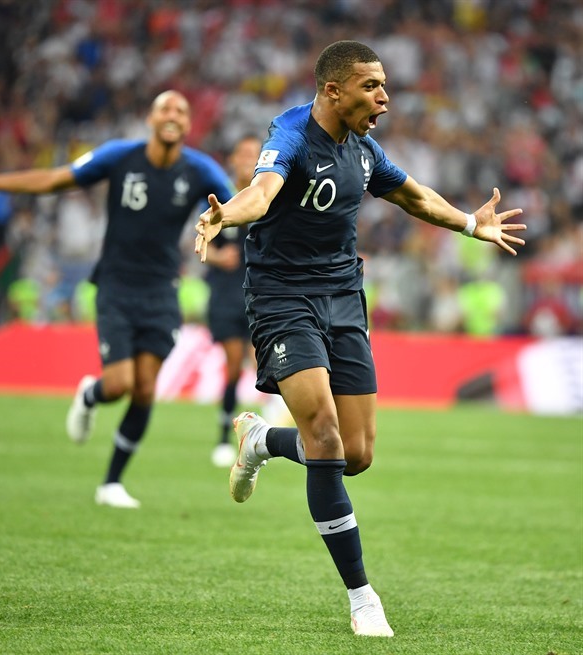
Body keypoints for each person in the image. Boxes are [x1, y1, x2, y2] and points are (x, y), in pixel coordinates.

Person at [195, 40, 526, 638]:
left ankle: (261, 440)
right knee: (323, 432)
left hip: (344, 299)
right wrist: (226, 215)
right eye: (372, 87)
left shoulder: (364, 150)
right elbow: (263, 190)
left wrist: (472, 223)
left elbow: (415, 197)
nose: (384, 98)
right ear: (333, 90)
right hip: (281, 299)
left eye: (384, 86)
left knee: (357, 454)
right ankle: (362, 596)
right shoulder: (291, 133)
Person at [0, 90, 235, 509]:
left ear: (187, 123)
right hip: (116, 286)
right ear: (150, 117)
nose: (172, 114)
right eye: (165, 107)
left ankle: (111, 483)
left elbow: (240, 207)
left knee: (145, 390)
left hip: (163, 291)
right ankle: (90, 396)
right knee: (120, 384)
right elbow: (54, 179)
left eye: (181, 110)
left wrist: (235, 220)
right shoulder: (120, 156)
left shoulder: (200, 170)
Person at [204, 134, 262, 468]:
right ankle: (224, 437)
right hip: (226, 294)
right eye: (242, 153)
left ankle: (267, 426)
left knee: (263, 363)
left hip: (259, 293)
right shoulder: (219, 199)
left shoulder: (267, 196)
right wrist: (215, 256)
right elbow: (200, 240)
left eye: (253, 154)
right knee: (232, 363)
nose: (247, 159)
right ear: (234, 159)